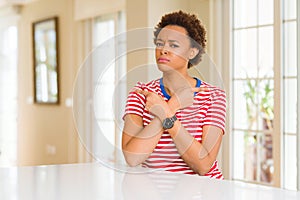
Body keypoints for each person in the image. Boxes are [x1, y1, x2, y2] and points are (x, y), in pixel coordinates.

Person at [122, 10, 226, 179]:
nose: (163, 50)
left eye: (173, 45)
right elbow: (132, 158)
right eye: (159, 43)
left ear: (192, 53)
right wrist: (172, 106)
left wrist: (167, 114)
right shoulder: (141, 94)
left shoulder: (213, 96)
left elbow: (204, 165)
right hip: (155, 192)